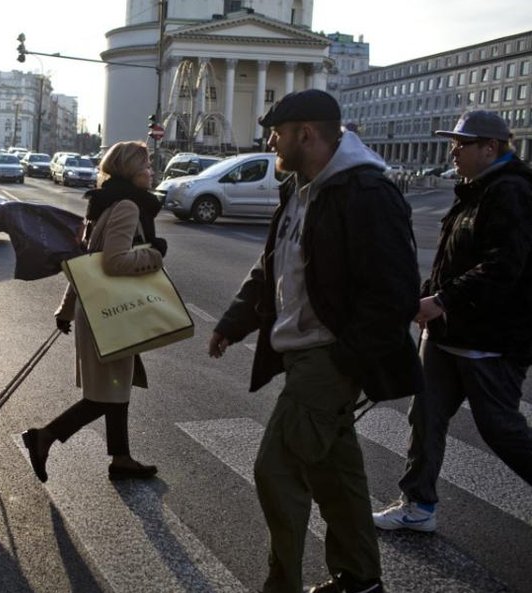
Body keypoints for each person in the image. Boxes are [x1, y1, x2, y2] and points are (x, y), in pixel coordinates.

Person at [208, 89, 422, 593]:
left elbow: (394, 292)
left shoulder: (365, 192)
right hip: (305, 353)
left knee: (275, 470)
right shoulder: (300, 188)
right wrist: (232, 322)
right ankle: (360, 579)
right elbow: (273, 266)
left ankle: (280, 586)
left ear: (306, 134)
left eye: (277, 134)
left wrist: (346, 361)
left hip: (328, 357)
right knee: (335, 475)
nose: (271, 143)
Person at [373, 110, 532, 532]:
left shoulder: (512, 192)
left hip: (490, 340)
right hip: (447, 334)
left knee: (501, 429)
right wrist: (429, 298)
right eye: (453, 143)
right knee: (425, 417)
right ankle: (418, 504)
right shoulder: (474, 190)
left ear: (490, 148)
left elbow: (504, 266)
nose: (453, 152)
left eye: (461, 144)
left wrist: (442, 299)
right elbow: (451, 259)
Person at [22, 140, 168, 483]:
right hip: (113, 314)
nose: (151, 171)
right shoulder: (128, 207)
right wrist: (155, 253)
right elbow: (113, 262)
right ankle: (45, 436)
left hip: (100, 310)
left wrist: (67, 309)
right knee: (104, 395)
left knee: (116, 387)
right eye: (146, 166)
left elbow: (86, 263)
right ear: (131, 170)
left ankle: (121, 458)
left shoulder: (104, 203)